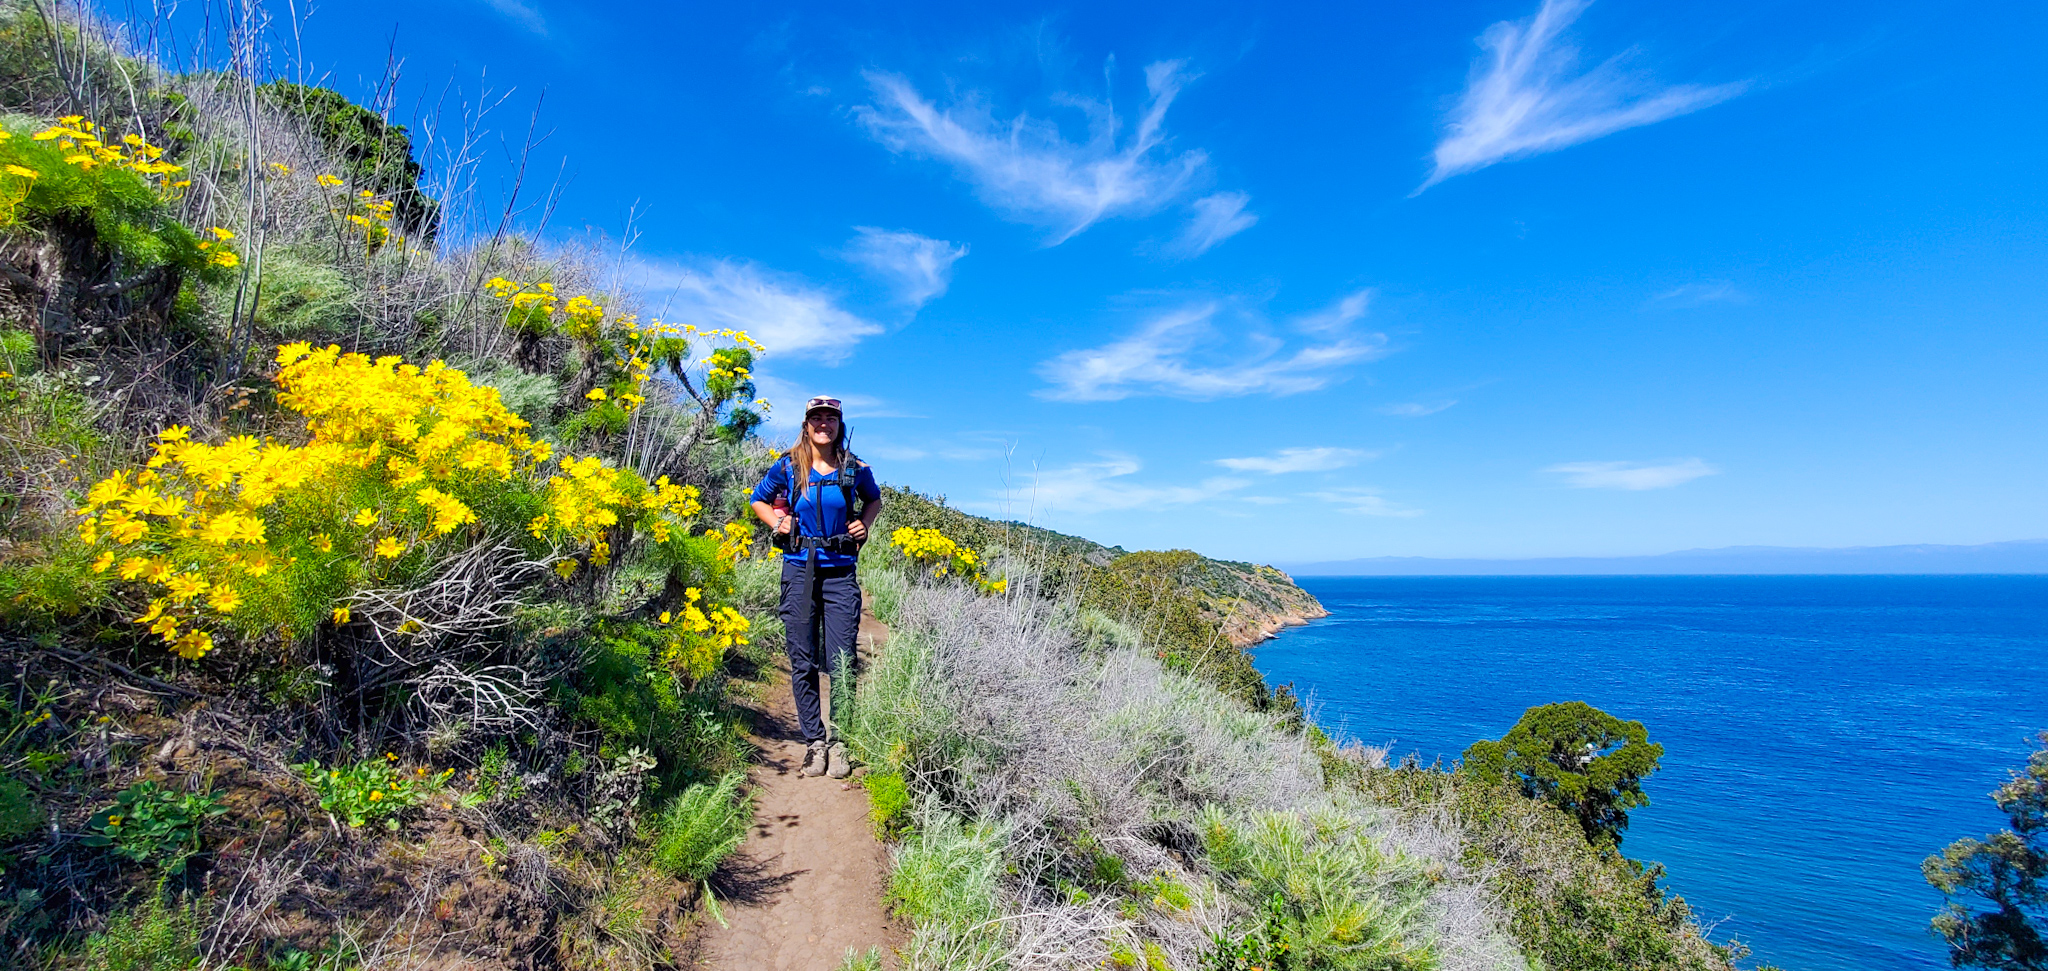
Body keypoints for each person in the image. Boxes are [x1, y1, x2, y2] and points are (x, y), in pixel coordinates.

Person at [749, 396, 882, 779]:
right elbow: (759, 499)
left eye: (831, 418)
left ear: (839, 424)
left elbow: (872, 500)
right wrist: (778, 524)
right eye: (816, 418)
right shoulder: (789, 467)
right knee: (802, 659)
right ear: (806, 424)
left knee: (842, 662)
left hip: (840, 575)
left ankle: (841, 743)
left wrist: (864, 526)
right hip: (798, 572)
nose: (824, 424)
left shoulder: (855, 467)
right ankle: (815, 744)